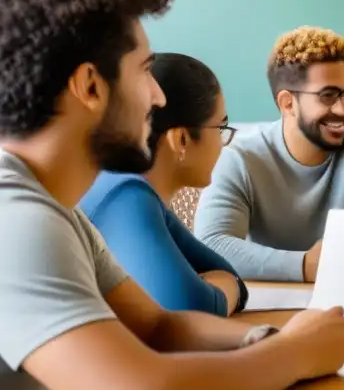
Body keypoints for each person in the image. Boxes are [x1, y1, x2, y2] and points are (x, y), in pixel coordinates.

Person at [0, 0, 344, 390]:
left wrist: (262, 342)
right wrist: (293, 355)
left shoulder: (55, 209)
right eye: (143, 71)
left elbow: (160, 325)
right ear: (89, 86)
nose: (158, 98)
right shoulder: (17, 220)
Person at [194, 26, 344, 282]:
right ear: (287, 103)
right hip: (267, 306)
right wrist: (303, 265)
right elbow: (212, 244)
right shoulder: (240, 158)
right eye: (328, 96)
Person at [80, 53, 245, 316]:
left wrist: (229, 284)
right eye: (221, 127)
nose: (224, 143)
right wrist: (228, 287)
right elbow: (191, 310)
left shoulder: (133, 191)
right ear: (181, 140)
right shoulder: (125, 194)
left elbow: (227, 276)